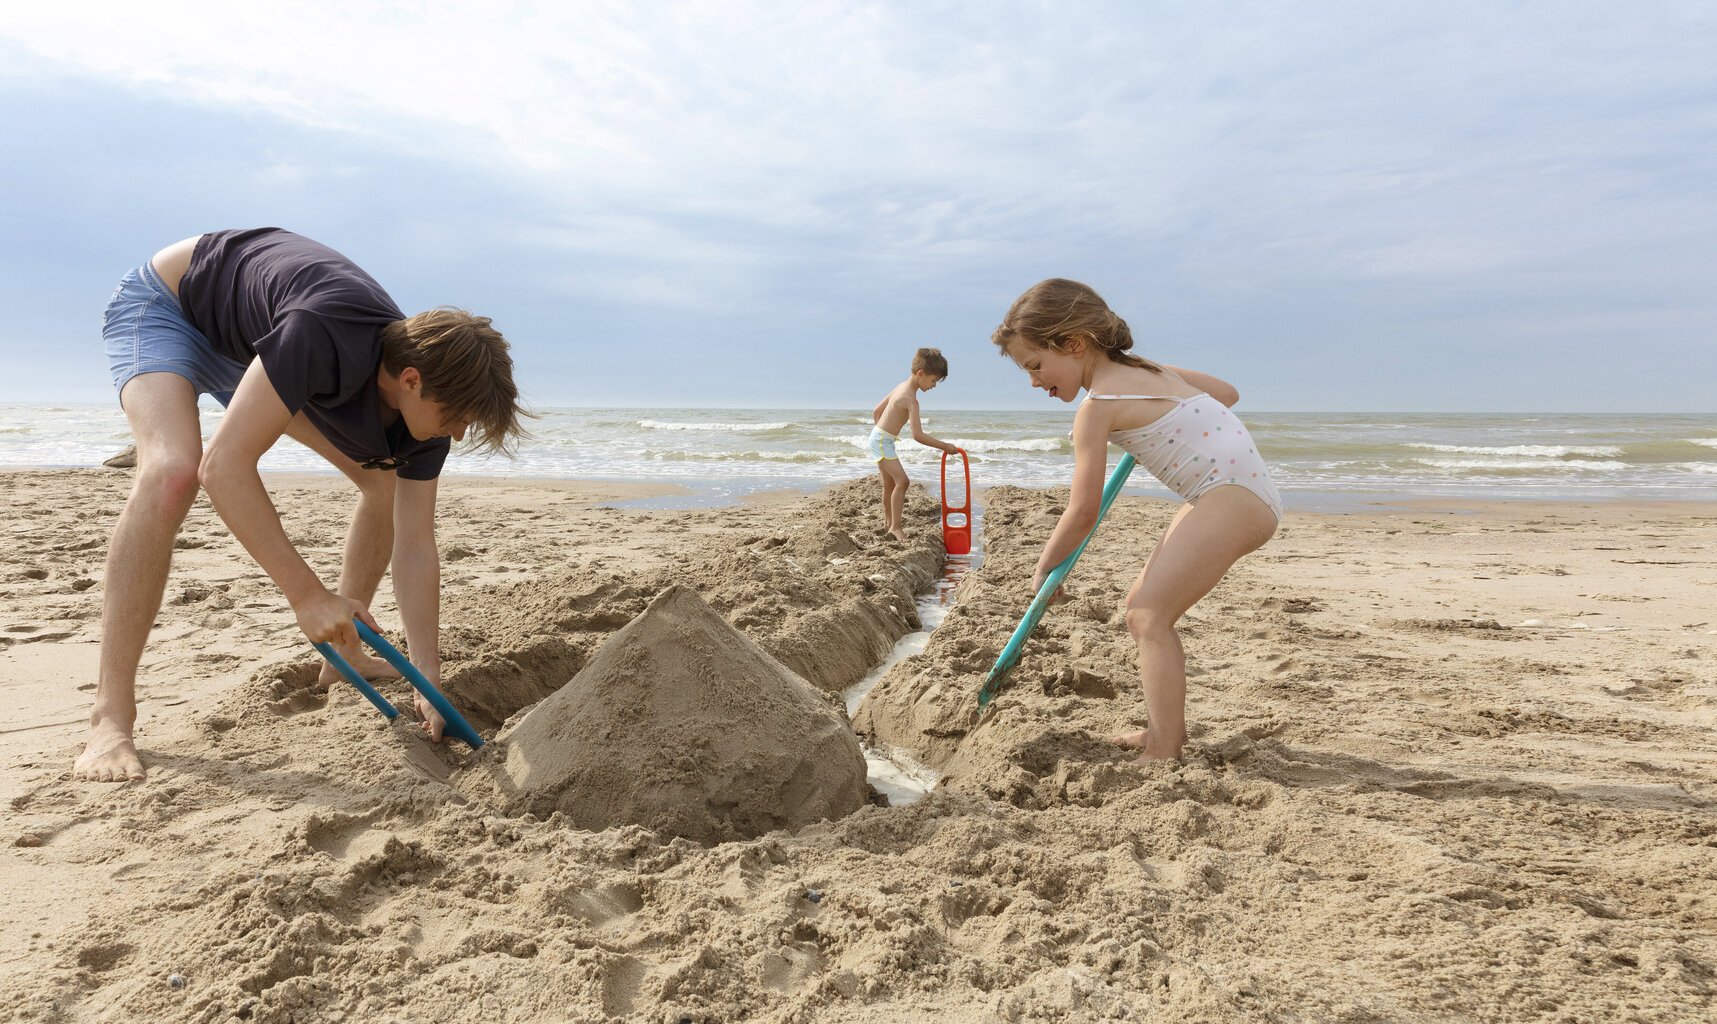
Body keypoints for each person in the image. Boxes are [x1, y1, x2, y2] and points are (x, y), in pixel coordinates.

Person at [74, 228, 527, 782]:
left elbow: (415, 542)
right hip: (173, 305)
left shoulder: (422, 415)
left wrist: (426, 677)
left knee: (381, 483)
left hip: (257, 342)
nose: (456, 436)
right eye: (457, 419)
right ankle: (110, 719)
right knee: (173, 472)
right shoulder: (323, 331)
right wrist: (308, 596)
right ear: (411, 380)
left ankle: (345, 651)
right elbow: (224, 468)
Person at [992, 279, 1281, 763]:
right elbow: (1226, 393)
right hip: (1236, 491)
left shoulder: (1096, 408)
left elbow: (1082, 510)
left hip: (1228, 498)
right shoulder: (1147, 369)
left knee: (1149, 616)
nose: (1035, 381)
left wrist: (1045, 567)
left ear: (1075, 344)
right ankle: (1160, 731)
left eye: (1036, 366)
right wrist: (1162, 419)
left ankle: (1165, 749)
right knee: (1140, 607)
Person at [869, 347, 959, 541]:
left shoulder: (900, 387)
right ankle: (895, 527)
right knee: (903, 482)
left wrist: (886, 432)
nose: (934, 386)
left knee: (889, 483)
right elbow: (917, 435)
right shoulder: (911, 400)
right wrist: (944, 446)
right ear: (921, 374)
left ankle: (888, 522)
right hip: (883, 441)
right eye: (933, 380)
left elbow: (876, 412)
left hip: (879, 438)